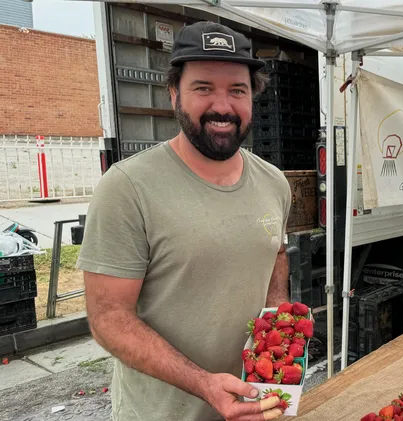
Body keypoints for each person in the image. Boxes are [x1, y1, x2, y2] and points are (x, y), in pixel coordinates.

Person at [76, 21, 291, 421]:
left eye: (237, 90)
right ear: (174, 93)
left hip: (254, 406)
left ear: (253, 98)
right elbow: (109, 318)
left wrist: (277, 309)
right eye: (203, 88)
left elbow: (275, 251)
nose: (223, 106)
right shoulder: (127, 187)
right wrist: (204, 384)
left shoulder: (274, 182)